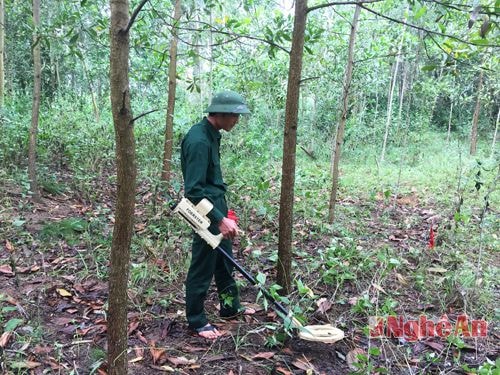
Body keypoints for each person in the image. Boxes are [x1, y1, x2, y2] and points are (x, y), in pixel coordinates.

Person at [180, 90, 255, 339]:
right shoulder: (199, 140)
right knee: (202, 266)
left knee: (224, 262)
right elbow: (193, 191)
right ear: (220, 113)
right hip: (205, 213)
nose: (237, 120)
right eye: (234, 116)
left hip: (216, 207)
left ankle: (230, 307)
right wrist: (219, 219)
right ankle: (196, 320)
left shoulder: (213, 135)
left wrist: (225, 215)